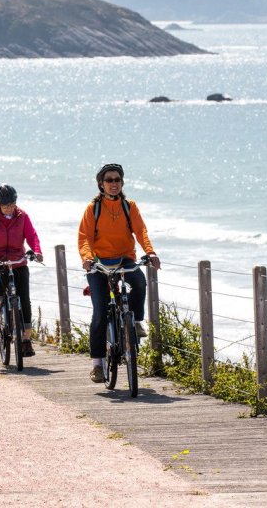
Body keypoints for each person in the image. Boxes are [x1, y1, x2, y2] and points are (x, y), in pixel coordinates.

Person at [78, 164, 161, 383]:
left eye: (117, 180)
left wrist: (150, 252)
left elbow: (141, 231)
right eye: (109, 180)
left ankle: (134, 322)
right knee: (100, 311)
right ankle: (97, 364)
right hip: (99, 263)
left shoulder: (129, 206)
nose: (114, 183)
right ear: (101, 184)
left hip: (124, 258)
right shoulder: (93, 208)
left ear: (122, 183)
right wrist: (87, 258)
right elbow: (84, 236)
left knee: (140, 282)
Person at [0, 184, 43, 357]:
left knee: (25, 300)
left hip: (17, 261)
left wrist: (37, 251)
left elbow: (32, 236)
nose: (9, 208)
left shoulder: (22, 216)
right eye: (5, 205)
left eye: (12, 204)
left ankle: (26, 340)